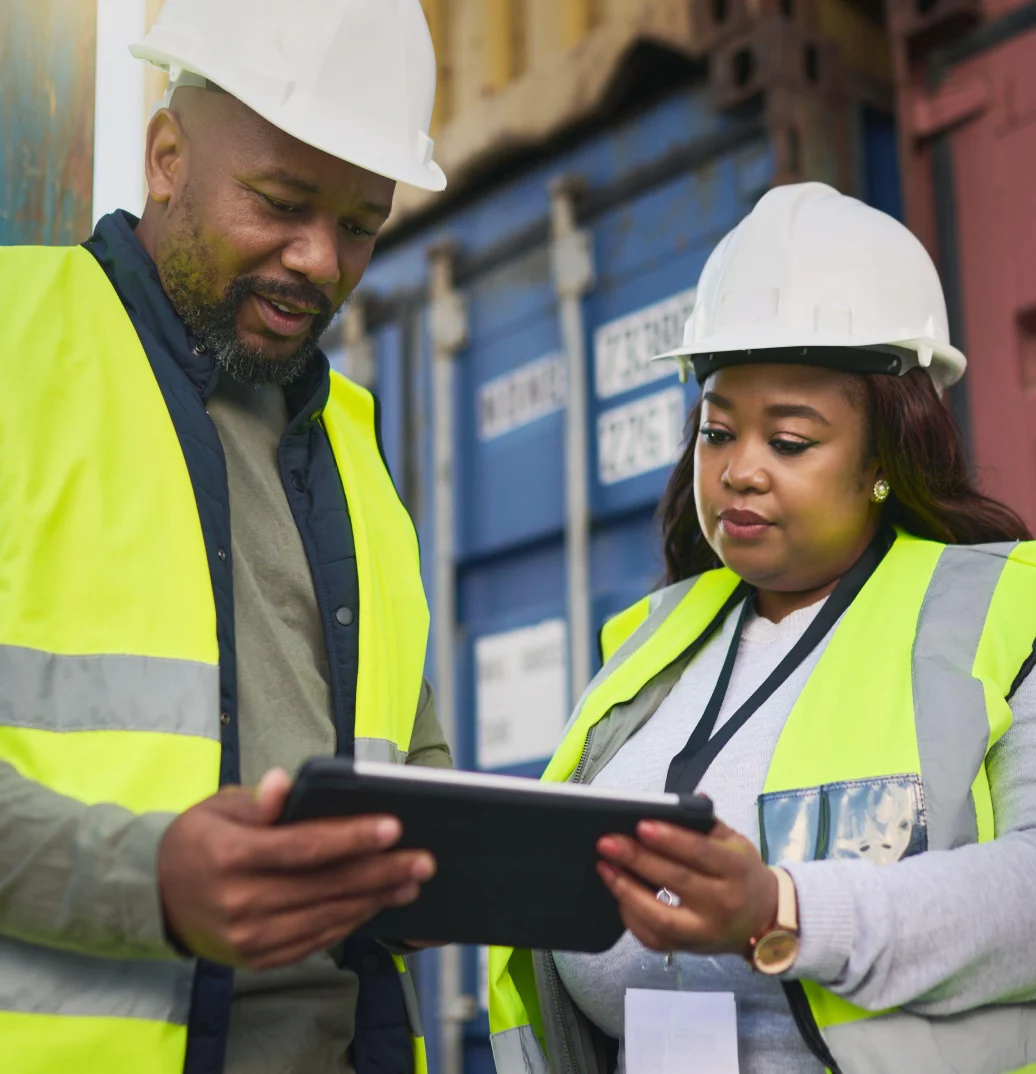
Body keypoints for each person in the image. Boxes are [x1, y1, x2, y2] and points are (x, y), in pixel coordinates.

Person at [488, 182, 1036, 1074]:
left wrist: (784, 910)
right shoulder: (653, 643)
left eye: (788, 441)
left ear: (887, 457)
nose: (739, 471)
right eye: (716, 432)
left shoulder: (1006, 612)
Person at [0, 2, 450, 1073]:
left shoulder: (348, 439)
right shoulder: (14, 347)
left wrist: (440, 866)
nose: (319, 260)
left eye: (360, 224)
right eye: (281, 204)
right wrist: (149, 881)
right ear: (167, 159)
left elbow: (410, 750)